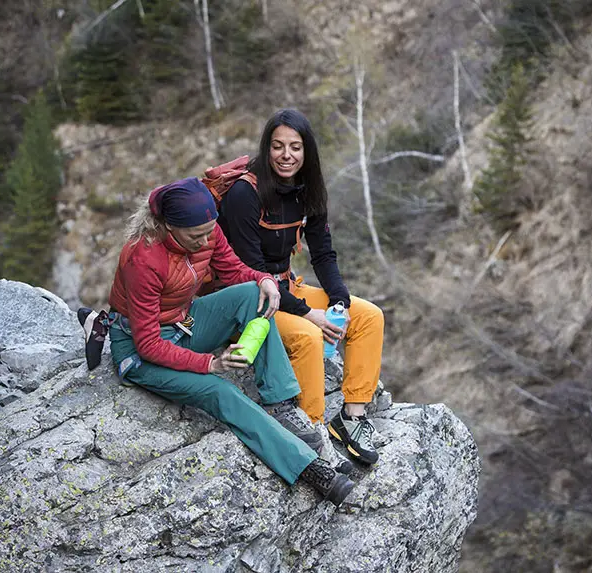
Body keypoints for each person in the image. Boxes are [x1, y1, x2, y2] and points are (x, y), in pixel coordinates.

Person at [105, 176, 354, 506]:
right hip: (140, 351)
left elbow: (233, 268)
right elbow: (149, 344)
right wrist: (212, 363)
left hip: (186, 322)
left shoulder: (206, 231)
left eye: (210, 231)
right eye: (197, 236)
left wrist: (263, 279)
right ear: (168, 226)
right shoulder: (144, 258)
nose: (207, 239)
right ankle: (311, 469)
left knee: (253, 295)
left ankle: (280, 404)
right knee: (220, 390)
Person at [218, 109, 385, 469]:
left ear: (307, 150)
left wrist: (338, 296)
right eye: (277, 146)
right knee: (308, 337)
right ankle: (312, 435)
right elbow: (251, 272)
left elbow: (322, 253)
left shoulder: (307, 190)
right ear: (267, 148)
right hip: (251, 298)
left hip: (287, 287)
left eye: (295, 146)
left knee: (368, 316)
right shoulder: (244, 196)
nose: (286, 155)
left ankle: (351, 419)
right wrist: (310, 313)